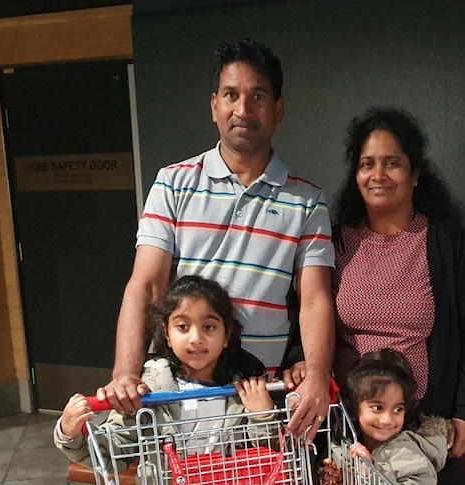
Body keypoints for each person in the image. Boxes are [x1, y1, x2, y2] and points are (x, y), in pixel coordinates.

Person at [97, 38, 335, 441]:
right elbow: (148, 285)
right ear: (214, 106)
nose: (243, 109)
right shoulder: (173, 183)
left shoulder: (307, 200)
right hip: (181, 400)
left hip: (260, 400)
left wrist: (316, 377)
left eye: (257, 96)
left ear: (278, 110)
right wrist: (125, 373)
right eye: (231, 95)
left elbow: (314, 300)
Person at [331, 106, 465, 482]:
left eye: (392, 163)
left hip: (423, 436)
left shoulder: (445, 243)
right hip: (347, 435)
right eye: (366, 164)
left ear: (415, 174)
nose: (377, 175)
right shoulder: (336, 242)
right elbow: (308, 319)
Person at [54, 275, 276, 469]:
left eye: (208, 327)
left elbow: (268, 458)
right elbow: (113, 453)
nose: (196, 338)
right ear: (167, 334)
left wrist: (262, 417)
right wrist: (71, 433)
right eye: (182, 327)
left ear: (226, 335)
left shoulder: (243, 392)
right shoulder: (149, 389)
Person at [321, 349, 452, 485]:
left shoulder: (408, 451)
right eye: (378, 408)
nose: (387, 419)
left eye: (397, 409)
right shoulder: (342, 447)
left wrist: (371, 473)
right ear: (354, 409)